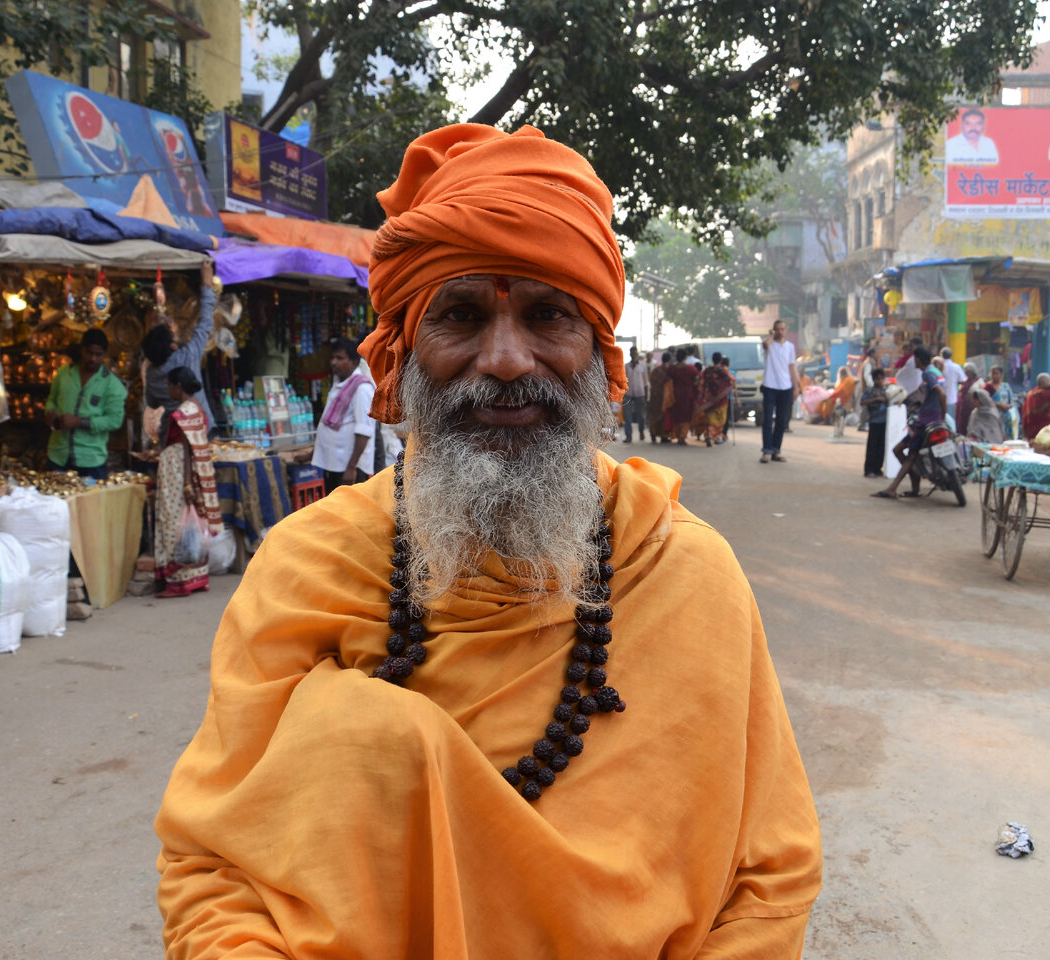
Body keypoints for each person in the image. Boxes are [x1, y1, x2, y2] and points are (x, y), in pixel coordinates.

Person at [155, 123, 821, 959]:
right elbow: (215, 865)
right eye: (461, 315)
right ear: (403, 355)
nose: (506, 360)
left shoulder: (686, 572)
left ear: (598, 356)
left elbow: (771, 875)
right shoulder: (307, 567)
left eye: (549, 316)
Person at [152, 366, 222, 599]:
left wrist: (186, 483)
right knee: (189, 522)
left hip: (177, 472)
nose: (168, 390)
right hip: (184, 469)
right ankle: (197, 577)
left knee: (173, 521)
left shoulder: (183, 413)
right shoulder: (197, 408)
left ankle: (178, 582)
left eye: (170, 385)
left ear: (178, 386)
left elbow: (186, 450)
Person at [142, 260, 219, 440]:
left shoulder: (152, 374)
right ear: (173, 346)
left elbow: (152, 403)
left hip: (170, 438)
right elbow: (205, 321)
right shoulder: (188, 356)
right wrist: (207, 284)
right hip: (199, 434)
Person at [44, 327, 127, 480]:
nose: (93, 359)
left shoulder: (113, 385)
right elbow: (51, 400)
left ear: (105, 355)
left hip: (90, 459)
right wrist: (50, 412)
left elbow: (115, 421)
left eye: (98, 354)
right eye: (89, 353)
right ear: (82, 350)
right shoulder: (63, 374)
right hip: (58, 455)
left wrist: (79, 422)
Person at [872, 346, 946, 500]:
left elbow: (941, 394)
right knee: (910, 453)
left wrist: (943, 416)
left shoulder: (927, 373)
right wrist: (943, 416)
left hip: (925, 420)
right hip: (935, 418)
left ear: (918, 359)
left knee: (903, 451)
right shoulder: (937, 372)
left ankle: (893, 488)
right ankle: (914, 487)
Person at [311, 338, 376, 492]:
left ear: (354, 362)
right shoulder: (339, 384)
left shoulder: (362, 388)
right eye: (332, 358)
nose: (334, 362)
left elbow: (364, 431)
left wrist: (351, 467)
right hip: (334, 464)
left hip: (349, 468)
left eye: (340, 358)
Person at [760, 319, 799, 462]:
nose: (780, 331)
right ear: (774, 330)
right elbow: (765, 344)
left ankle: (776, 450)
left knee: (782, 421)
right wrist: (771, 335)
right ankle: (766, 451)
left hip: (786, 387)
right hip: (770, 386)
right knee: (768, 420)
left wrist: (796, 387)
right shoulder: (769, 344)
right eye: (777, 329)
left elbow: (792, 367)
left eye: (782, 329)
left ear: (786, 330)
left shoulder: (790, 347)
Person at [691, 351, 731, 447]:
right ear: (720, 360)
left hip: (709, 399)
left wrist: (701, 396)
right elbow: (730, 381)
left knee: (709, 419)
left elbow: (701, 383)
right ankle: (716, 436)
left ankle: (709, 436)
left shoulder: (707, 370)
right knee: (720, 419)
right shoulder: (723, 371)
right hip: (721, 399)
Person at [861, 367, 889, 477]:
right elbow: (863, 402)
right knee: (872, 447)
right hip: (874, 421)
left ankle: (878, 468)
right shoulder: (869, 391)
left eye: (882, 379)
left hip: (885, 422)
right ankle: (869, 470)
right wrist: (876, 399)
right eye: (877, 379)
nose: (880, 381)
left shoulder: (887, 390)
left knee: (881, 447)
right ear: (873, 379)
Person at [819, 367, 856, 439]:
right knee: (842, 416)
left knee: (840, 416)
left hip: (844, 401)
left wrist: (829, 397)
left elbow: (839, 391)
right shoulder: (847, 380)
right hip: (846, 401)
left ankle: (839, 431)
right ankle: (840, 431)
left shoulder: (847, 380)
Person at [621, 345, 649, 443]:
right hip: (628, 393)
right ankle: (628, 435)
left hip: (640, 393)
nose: (633, 354)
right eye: (632, 353)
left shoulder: (642, 366)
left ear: (637, 354)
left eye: (635, 352)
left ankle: (641, 431)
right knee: (627, 415)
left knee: (640, 415)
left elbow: (645, 381)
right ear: (630, 354)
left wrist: (646, 395)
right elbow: (623, 380)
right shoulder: (626, 366)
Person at [647, 350, 673, 443]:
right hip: (665, 397)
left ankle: (653, 434)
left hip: (655, 397)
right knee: (664, 416)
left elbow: (651, 380)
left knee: (654, 415)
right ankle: (663, 436)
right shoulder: (670, 370)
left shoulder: (656, 369)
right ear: (669, 359)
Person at [987, 365, 1015, 439]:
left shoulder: (1006, 386)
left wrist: (1007, 406)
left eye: (996, 373)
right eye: (992, 374)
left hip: (1005, 416)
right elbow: (985, 401)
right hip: (992, 416)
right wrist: (998, 405)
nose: (994, 376)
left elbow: (1011, 401)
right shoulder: (988, 387)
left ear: (1001, 375)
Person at [954, 362, 982, 435]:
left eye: (967, 371)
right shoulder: (965, 380)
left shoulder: (979, 381)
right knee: (961, 424)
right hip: (962, 407)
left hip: (971, 407)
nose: (965, 372)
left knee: (969, 423)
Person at [938, 347, 967, 411]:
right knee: (950, 419)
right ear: (951, 356)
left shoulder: (937, 366)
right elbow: (963, 380)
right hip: (952, 398)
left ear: (941, 355)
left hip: (938, 399)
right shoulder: (956, 367)